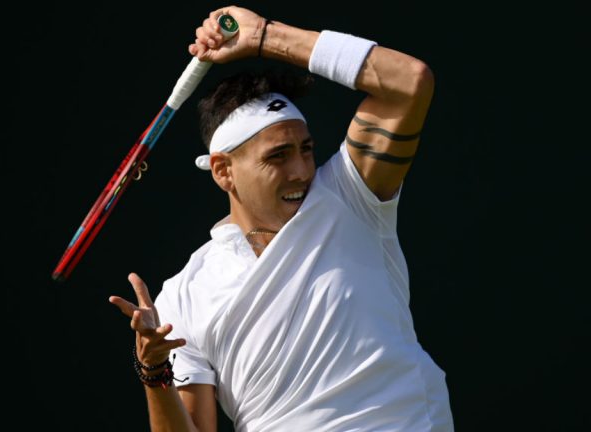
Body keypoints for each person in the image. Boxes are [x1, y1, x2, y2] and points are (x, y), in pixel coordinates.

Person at [109, 5, 453, 431]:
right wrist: (155, 372)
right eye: (278, 156)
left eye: (306, 149)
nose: (302, 171)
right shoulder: (183, 296)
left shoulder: (349, 194)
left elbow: (409, 81)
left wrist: (262, 36)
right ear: (223, 171)